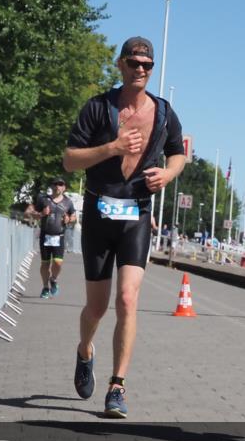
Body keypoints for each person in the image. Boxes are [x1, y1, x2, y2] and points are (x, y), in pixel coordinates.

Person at [62, 36, 186, 418]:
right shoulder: (98, 108)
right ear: (120, 65)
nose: (141, 70)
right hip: (100, 214)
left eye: (147, 65)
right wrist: (111, 149)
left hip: (138, 216)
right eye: (134, 63)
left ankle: (117, 386)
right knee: (97, 307)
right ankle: (85, 351)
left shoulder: (164, 112)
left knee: (128, 299)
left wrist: (167, 174)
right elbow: (69, 160)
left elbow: (178, 153)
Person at [25, 178, 77, 298]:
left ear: (64, 188)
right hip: (45, 236)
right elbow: (30, 213)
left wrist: (69, 219)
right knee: (45, 264)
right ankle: (45, 287)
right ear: (52, 186)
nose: (58, 186)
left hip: (59, 236)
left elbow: (73, 217)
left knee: (58, 263)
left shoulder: (68, 202)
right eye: (56, 184)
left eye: (60, 184)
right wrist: (41, 214)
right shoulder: (44, 200)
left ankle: (53, 279)